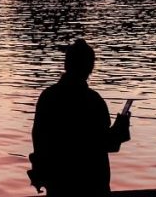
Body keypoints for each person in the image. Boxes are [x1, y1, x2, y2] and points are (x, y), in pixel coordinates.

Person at [29, 39, 130, 196]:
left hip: (58, 184)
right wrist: (121, 128)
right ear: (90, 68)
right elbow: (108, 145)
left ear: (66, 65)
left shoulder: (48, 97)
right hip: (92, 184)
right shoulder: (94, 101)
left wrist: (40, 171)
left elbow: (39, 139)